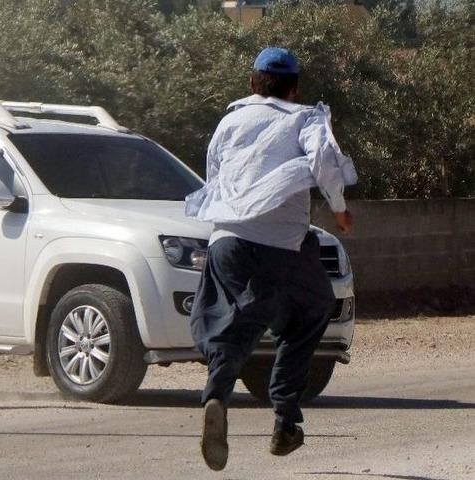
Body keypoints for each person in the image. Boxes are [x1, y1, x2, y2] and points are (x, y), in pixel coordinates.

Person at [184, 47, 357, 471]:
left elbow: (215, 177)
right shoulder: (304, 118)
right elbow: (324, 160)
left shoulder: (229, 121)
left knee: (230, 324)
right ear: (294, 88)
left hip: (227, 242)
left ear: (251, 83)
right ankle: (284, 419)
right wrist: (338, 207)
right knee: (312, 312)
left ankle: (217, 397)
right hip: (282, 246)